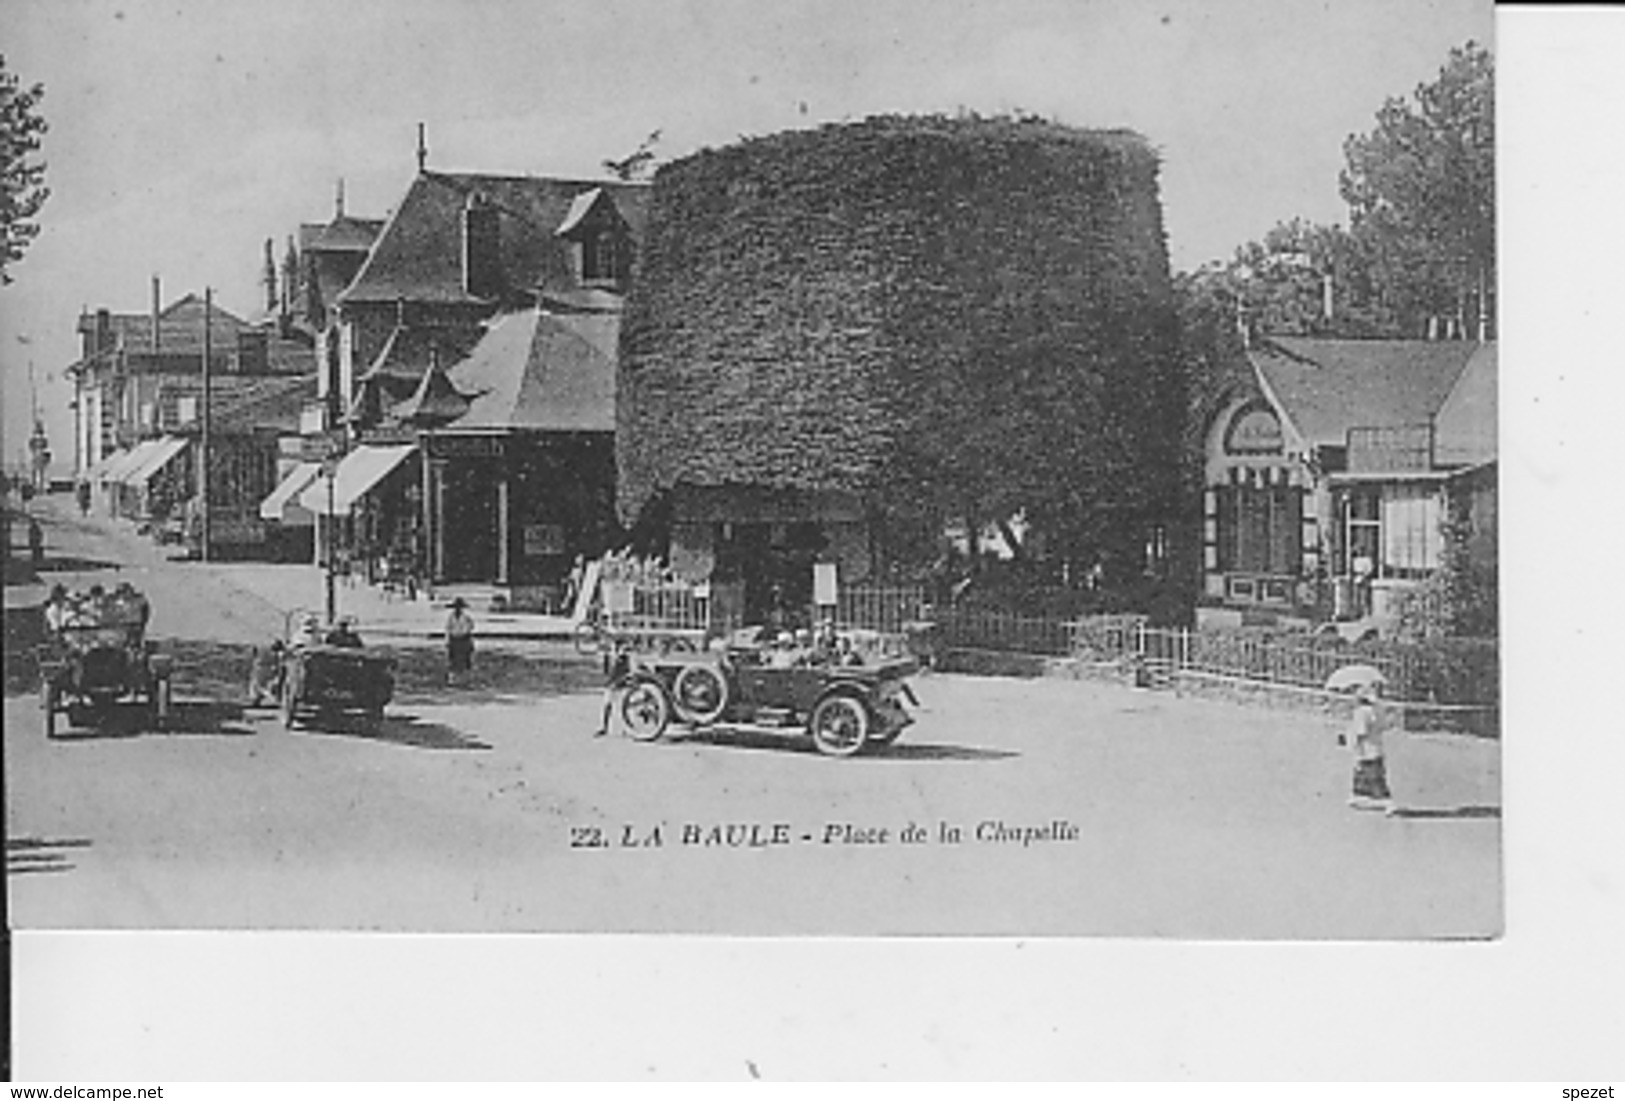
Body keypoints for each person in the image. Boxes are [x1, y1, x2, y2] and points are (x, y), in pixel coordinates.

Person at [1345, 681, 1397, 814]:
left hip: (1366, 749)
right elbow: (1384, 725)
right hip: (1377, 747)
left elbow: (1361, 732)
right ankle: (1356, 795)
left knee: (1374, 777)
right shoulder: (1377, 710)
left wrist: (1356, 746)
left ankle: (1388, 802)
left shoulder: (1362, 713)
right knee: (1364, 774)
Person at [445, 597, 476, 680]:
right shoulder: (451, 617)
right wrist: (448, 641)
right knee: (453, 659)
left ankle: (466, 676)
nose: (457, 609)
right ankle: (453, 677)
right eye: (456, 607)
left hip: (463, 639)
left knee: (465, 659)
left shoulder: (466, 617)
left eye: (459, 607)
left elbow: (471, 627)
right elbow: (449, 629)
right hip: (454, 640)